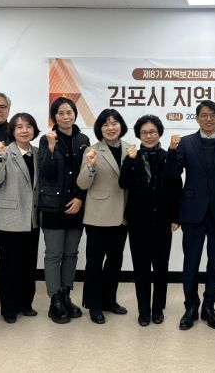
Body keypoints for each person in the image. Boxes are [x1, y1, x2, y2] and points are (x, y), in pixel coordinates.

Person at [167, 100, 215, 331]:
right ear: (197, 118)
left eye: (213, 115)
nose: (209, 119)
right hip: (192, 212)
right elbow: (172, 174)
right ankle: (190, 307)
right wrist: (171, 150)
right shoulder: (186, 143)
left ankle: (209, 307)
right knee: (191, 262)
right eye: (204, 115)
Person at [119, 115, 181, 326]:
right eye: (144, 132)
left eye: (152, 132)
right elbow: (123, 183)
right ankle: (143, 310)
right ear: (139, 135)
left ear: (159, 133)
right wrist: (130, 160)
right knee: (141, 268)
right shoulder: (133, 156)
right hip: (138, 222)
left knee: (161, 268)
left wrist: (175, 217)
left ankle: (158, 309)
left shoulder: (168, 156)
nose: (148, 136)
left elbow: (175, 184)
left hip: (163, 221)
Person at [76, 109, 131, 325]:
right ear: (100, 128)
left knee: (115, 261)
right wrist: (90, 165)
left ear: (121, 126)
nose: (110, 128)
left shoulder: (130, 148)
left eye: (114, 123)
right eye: (105, 124)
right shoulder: (92, 151)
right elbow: (82, 184)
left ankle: (109, 300)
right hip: (98, 215)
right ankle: (94, 305)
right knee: (95, 262)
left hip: (123, 216)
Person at [38, 97, 89, 324]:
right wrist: (50, 147)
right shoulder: (46, 139)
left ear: (75, 114)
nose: (66, 117)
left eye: (69, 112)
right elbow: (46, 173)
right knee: (54, 254)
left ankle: (67, 295)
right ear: (54, 117)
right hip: (52, 207)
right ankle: (55, 300)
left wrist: (80, 198)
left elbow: (86, 173)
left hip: (76, 206)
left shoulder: (83, 140)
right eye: (60, 113)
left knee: (71, 254)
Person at [0, 112, 41, 324]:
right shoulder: (4, 151)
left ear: (34, 130)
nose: (24, 130)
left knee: (28, 264)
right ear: (12, 131)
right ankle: (9, 308)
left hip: (32, 218)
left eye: (28, 126)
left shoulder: (38, 152)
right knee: (9, 266)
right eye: (19, 127)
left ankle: (25, 304)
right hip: (9, 218)